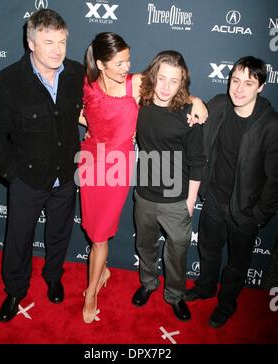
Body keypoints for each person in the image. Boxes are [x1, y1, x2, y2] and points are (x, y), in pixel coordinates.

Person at [78, 32, 208, 323]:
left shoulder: (136, 85)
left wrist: (199, 103)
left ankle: (167, 295)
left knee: (167, 249)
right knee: (134, 240)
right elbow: (82, 112)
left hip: (130, 172)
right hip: (99, 165)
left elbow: (172, 88)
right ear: (101, 63)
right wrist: (97, 128)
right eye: (121, 62)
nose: (128, 66)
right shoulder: (89, 83)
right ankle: (140, 282)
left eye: (129, 60)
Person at [0, 9, 84, 322]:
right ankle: (15, 290)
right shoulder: (9, 82)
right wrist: (11, 173)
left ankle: (53, 277)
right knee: (18, 238)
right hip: (26, 177)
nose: (57, 50)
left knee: (59, 233)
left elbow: (117, 82)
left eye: (62, 41)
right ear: (31, 43)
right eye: (48, 42)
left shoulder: (76, 73)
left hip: (66, 175)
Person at [184, 56, 278, 328]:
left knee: (237, 264)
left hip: (245, 211)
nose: (239, 89)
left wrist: (258, 214)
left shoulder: (271, 125)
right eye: (235, 81)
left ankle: (226, 304)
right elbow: (184, 101)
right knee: (208, 250)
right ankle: (205, 288)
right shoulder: (220, 105)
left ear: (260, 87)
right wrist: (196, 101)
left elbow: (275, 179)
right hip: (214, 200)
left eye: (248, 83)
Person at [131, 51, 205, 322]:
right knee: (146, 245)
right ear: (153, 76)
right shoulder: (140, 103)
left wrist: (190, 200)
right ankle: (148, 283)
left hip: (177, 198)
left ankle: (174, 295)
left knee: (177, 252)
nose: (165, 87)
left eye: (173, 81)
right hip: (145, 194)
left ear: (182, 82)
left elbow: (198, 160)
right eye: (161, 78)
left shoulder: (190, 113)